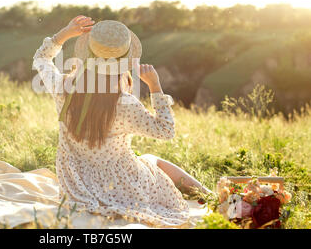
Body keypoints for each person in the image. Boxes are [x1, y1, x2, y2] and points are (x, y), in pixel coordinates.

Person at [32, 15, 211, 227]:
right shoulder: (124, 104)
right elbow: (165, 131)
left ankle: (211, 195)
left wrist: (64, 33)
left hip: (76, 185)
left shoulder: (63, 88)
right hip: (121, 184)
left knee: (147, 159)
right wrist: (155, 86)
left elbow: (42, 59)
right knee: (151, 159)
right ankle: (211, 196)